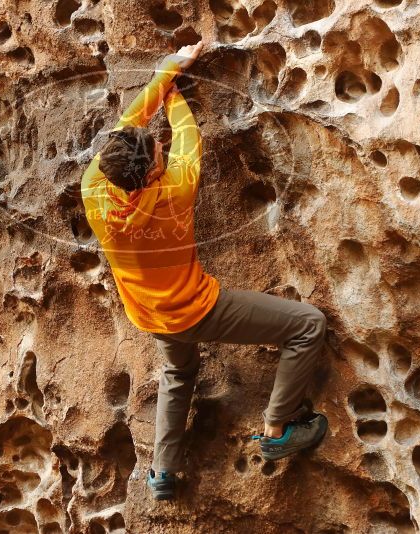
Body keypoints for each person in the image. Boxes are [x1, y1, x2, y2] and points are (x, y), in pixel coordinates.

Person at [80, 40, 328, 501]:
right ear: (152, 173)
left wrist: (166, 73)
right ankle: (278, 429)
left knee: (179, 373)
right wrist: (171, 83)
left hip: (149, 316)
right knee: (308, 325)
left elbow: (128, 125)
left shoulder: (94, 186)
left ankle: (163, 472)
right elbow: (186, 131)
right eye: (157, 152)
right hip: (200, 310)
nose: (160, 147)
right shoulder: (176, 189)